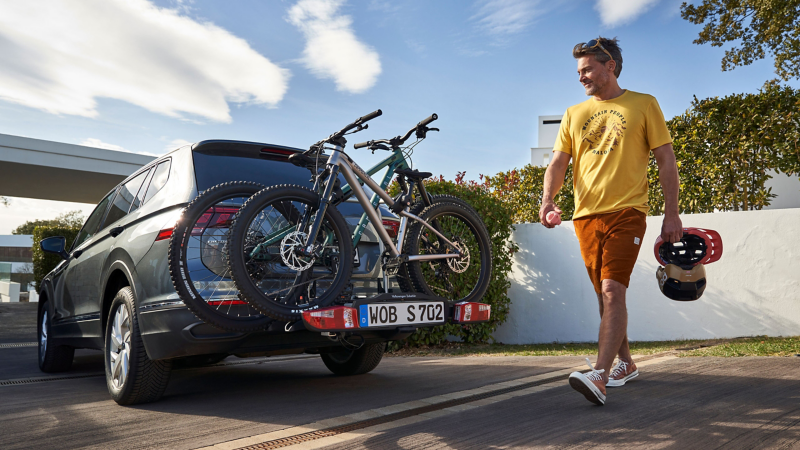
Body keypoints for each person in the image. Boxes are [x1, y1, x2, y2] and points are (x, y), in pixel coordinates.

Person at [539, 37, 682, 406]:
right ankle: (627, 364)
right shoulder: (573, 113)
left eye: (587, 69)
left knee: (612, 291)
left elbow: (666, 161)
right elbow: (558, 162)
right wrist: (548, 200)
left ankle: (599, 376)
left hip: (627, 211)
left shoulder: (644, 104)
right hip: (585, 217)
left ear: (610, 67)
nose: (581, 76)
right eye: (578, 71)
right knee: (605, 297)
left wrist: (671, 213)